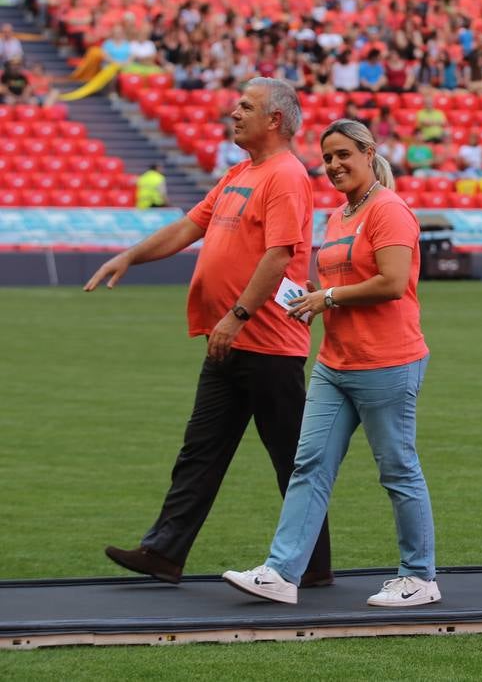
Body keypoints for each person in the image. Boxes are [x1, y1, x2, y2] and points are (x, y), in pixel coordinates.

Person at [85, 78, 331, 587]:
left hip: (265, 342)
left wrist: (237, 315)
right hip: (228, 340)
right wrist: (130, 255)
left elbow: (281, 255)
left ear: (275, 120)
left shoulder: (285, 175)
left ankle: (314, 565)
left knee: (291, 458)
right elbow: (188, 227)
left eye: (246, 106)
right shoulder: (240, 172)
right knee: (200, 451)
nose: (233, 112)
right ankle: (164, 552)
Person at [224, 119, 438, 607]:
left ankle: (420, 577)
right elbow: (337, 288)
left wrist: (330, 298)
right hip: (335, 363)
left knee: (398, 469)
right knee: (309, 465)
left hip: (387, 362)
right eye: (327, 158)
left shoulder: (390, 211)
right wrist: (310, 301)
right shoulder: (340, 215)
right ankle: (281, 571)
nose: (335, 165)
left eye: (344, 154)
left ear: (368, 152)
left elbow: (393, 281)